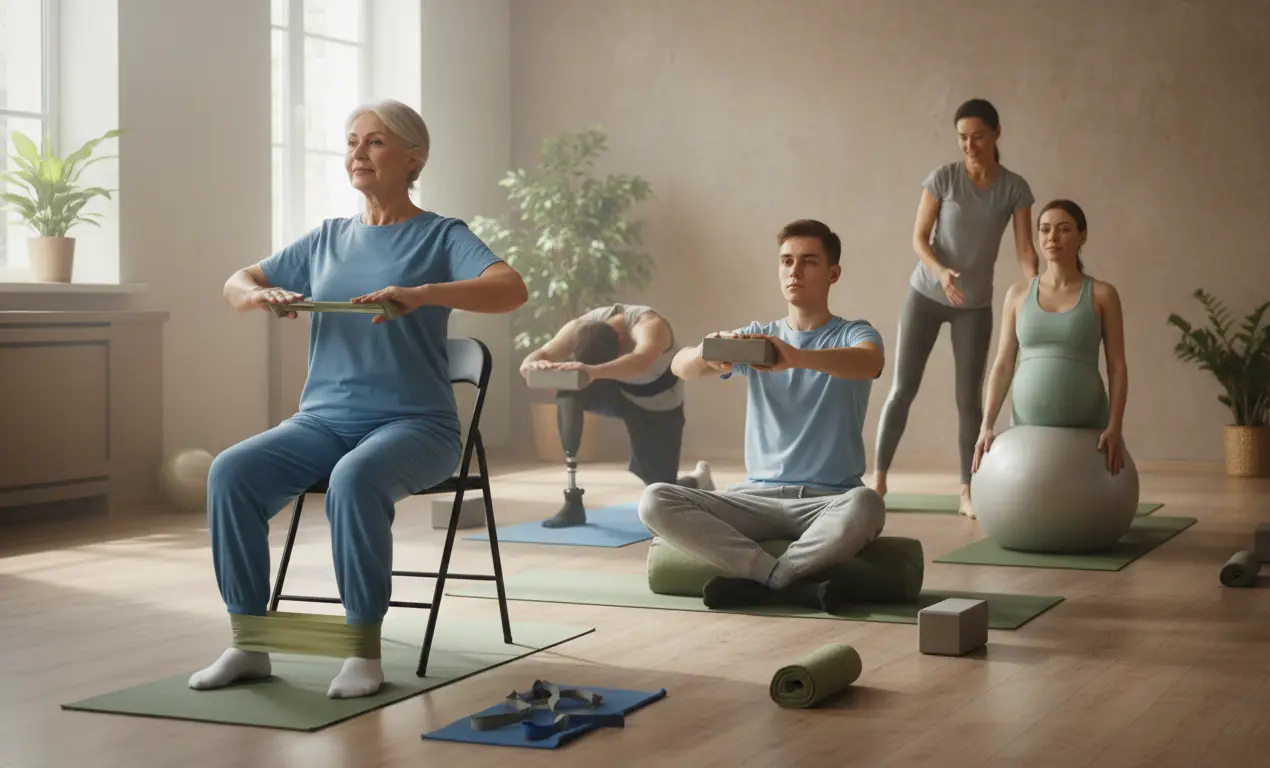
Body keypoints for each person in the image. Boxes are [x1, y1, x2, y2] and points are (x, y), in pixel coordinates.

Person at [190, 99, 528, 699]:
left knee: (354, 479)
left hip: (418, 427)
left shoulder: (441, 235)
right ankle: (249, 643)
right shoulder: (325, 239)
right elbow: (236, 281)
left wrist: (422, 295)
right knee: (231, 472)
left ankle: (361, 650)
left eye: (374, 142)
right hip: (322, 420)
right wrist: (258, 298)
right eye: (351, 141)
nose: (357, 153)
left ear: (413, 156)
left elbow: (510, 289)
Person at [638, 219, 887, 613]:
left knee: (868, 505)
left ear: (833, 273)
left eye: (808, 261)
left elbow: (870, 361)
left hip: (827, 501)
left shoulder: (855, 334)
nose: (795, 270)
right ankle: (778, 578)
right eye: (787, 261)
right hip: (753, 499)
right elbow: (680, 366)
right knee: (653, 499)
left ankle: (764, 580)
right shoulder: (758, 337)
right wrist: (711, 353)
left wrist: (796, 357)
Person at [871, 97, 1040, 518]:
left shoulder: (1014, 188)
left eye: (978, 137)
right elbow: (919, 238)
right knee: (902, 389)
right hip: (926, 296)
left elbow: (1024, 248)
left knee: (970, 401)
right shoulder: (944, 178)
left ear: (997, 134)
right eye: (963, 138)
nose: (970, 145)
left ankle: (967, 489)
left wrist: (1038, 285)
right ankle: (877, 480)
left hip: (975, 305)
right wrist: (941, 271)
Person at [518, 304, 714, 528]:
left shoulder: (650, 325)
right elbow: (543, 352)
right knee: (569, 390)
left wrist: (593, 372)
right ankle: (572, 501)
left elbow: (640, 360)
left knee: (662, 490)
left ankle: (699, 480)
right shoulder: (582, 326)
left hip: (656, 401)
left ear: (621, 340)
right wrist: (531, 364)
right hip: (613, 391)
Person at [972, 199, 1129, 477]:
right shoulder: (1018, 294)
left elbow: (1117, 366)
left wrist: (1115, 426)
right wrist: (986, 424)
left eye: (1063, 229)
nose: (1052, 237)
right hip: (1028, 430)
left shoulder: (1103, 294)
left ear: (1083, 236)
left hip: (1089, 427)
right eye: (1044, 230)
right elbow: (1003, 364)